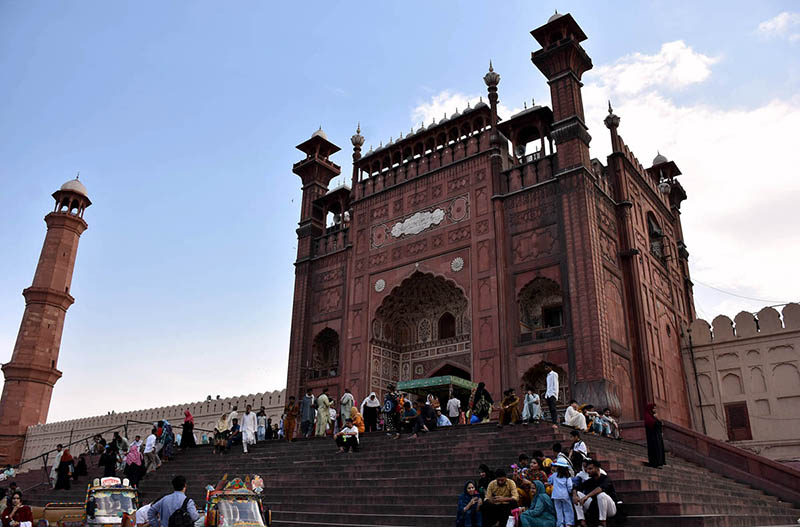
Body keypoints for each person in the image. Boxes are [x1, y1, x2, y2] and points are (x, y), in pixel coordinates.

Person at [573, 459, 619, 526]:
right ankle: (582, 521)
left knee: (601, 495)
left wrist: (587, 496)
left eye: (590, 469)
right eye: (587, 469)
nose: (588, 471)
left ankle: (602, 523)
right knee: (577, 494)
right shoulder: (590, 480)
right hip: (595, 508)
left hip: (610, 509)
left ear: (597, 468)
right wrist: (574, 495)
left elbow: (600, 488)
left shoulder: (606, 479)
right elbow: (576, 488)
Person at [548, 459, 574, 527]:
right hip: (565, 495)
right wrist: (570, 492)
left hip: (556, 496)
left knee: (558, 510)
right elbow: (570, 486)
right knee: (567, 509)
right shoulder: (567, 477)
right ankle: (568, 523)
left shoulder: (554, 475)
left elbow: (549, 481)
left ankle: (560, 524)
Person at [644, 402, 666, 468]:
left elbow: (660, 424)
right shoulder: (648, 416)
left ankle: (659, 462)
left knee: (658, 448)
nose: (655, 410)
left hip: (656, 436)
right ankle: (654, 463)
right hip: (652, 437)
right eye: (654, 408)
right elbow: (654, 424)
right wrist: (658, 421)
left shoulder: (652, 416)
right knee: (654, 449)